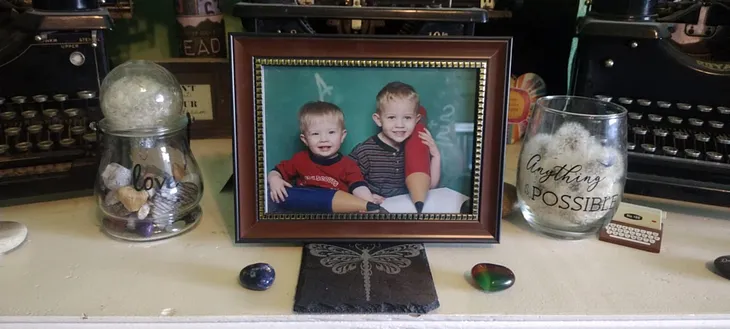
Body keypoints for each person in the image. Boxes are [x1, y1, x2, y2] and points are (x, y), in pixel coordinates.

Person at [267, 101, 382, 213]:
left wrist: (368, 201)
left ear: (342, 136)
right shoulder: (299, 160)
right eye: (315, 134)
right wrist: (274, 179)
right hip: (303, 213)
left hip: (333, 215)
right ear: (305, 139)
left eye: (331, 132)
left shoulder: (348, 165)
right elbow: (276, 171)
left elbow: (358, 186)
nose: (324, 139)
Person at [349, 81, 441, 213]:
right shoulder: (365, 151)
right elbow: (347, 180)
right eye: (391, 117)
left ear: (417, 119)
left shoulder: (414, 148)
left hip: (408, 212)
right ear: (378, 120)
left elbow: (430, 186)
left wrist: (436, 156)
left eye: (407, 118)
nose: (400, 124)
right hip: (376, 213)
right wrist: (364, 196)